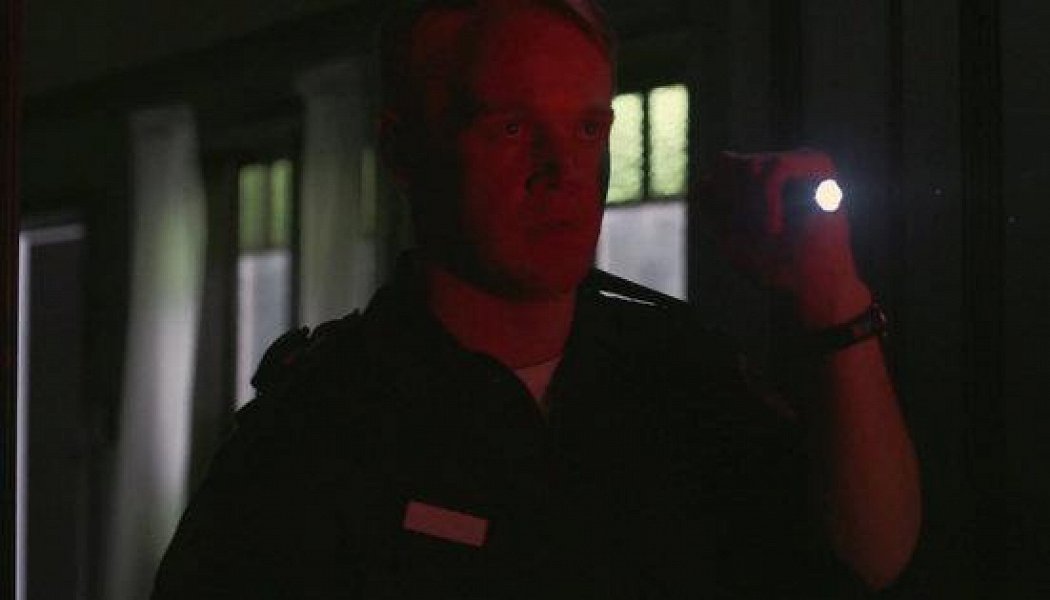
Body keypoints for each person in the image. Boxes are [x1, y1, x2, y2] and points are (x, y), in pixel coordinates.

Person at [153, 0, 921, 597]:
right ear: (403, 150)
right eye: (513, 127)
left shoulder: (677, 375)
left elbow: (867, 559)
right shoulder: (321, 427)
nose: (563, 171)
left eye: (587, 129)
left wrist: (832, 298)